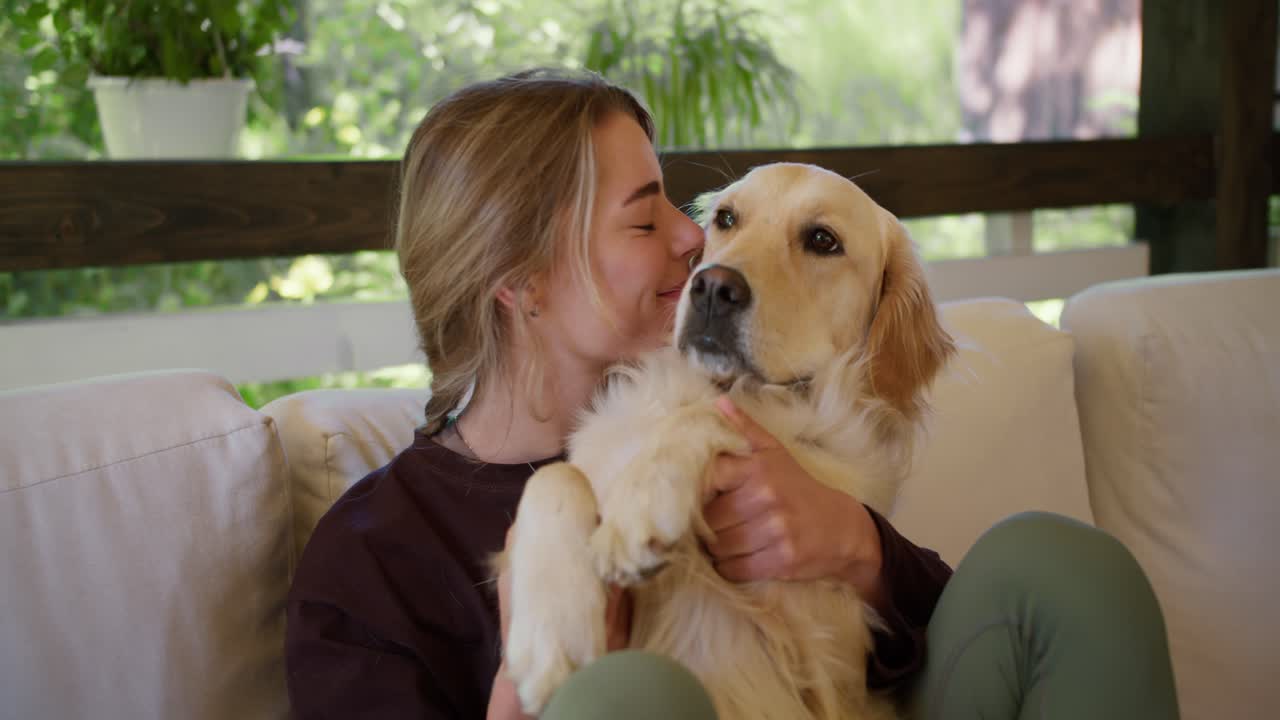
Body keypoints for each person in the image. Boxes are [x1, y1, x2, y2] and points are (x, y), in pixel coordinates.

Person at [284, 68, 1180, 720]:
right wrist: (532, 669)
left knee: (1062, 566)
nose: (696, 245)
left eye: (686, 208)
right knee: (627, 701)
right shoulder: (367, 563)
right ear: (521, 281)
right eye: (645, 219)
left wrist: (855, 545)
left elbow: (937, 645)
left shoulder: (756, 424)